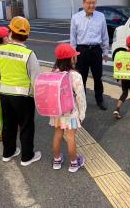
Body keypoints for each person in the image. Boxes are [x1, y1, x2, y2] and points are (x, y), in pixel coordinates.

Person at [0, 16, 41, 166]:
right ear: (27, 35)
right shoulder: (29, 54)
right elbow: (35, 79)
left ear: (10, 32)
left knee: (8, 125)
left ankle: (8, 152)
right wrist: (37, 97)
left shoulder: (0, 51)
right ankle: (27, 157)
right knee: (26, 126)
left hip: (5, 95)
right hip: (24, 97)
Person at [49, 43, 86, 172]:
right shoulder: (75, 75)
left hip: (57, 112)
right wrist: (82, 114)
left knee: (57, 135)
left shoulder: (54, 72)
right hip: (71, 112)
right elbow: (80, 97)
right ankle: (74, 163)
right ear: (71, 59)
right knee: (70, 137)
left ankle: (57, 160)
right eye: (74, 56)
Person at [70, 0, 109, 110]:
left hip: (96, 50)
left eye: (93, 3)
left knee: (98, 77)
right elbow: (73, 38)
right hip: (81, 51)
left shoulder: (100, 16)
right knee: (81, 78)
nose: (91, 5)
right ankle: (81, 102)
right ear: (83, 3)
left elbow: (104, 35)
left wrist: (105, 51)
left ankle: (99, 99)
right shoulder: (76, 17)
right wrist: (73, 54)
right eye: (89, 3)